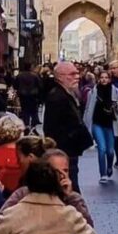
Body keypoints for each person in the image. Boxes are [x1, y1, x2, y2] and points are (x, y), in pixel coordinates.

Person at [43, 60, 93, 192]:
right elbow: (53, 128)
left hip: (68, 151)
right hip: (65, 151)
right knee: (70, 189)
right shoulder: (57, 97)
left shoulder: (66, 94)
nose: (77, 76)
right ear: (60, 77)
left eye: (77, 73)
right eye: (72, 74)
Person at [83, 70, 118, 183]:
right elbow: (88, 109)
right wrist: (86, 124)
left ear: (110, 79)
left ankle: (109, 166)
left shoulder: (115, 91)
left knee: (110, 151)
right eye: (102, 77)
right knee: (102, 148)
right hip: (97, 123)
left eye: (106, 77)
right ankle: (103, 174)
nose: (104, 79)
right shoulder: (93, 92)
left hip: (110, 124)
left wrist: (116, 106)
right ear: (99, 79)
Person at [13, 62, 42, 131]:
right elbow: (40, 86)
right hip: (33, 96)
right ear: (30, 67)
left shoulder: (19, 75)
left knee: (25, 110)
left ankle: (26, 124)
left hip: (23, 96)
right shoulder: (34, 76)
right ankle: (33, 125)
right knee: (33, 110)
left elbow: (15, 85)